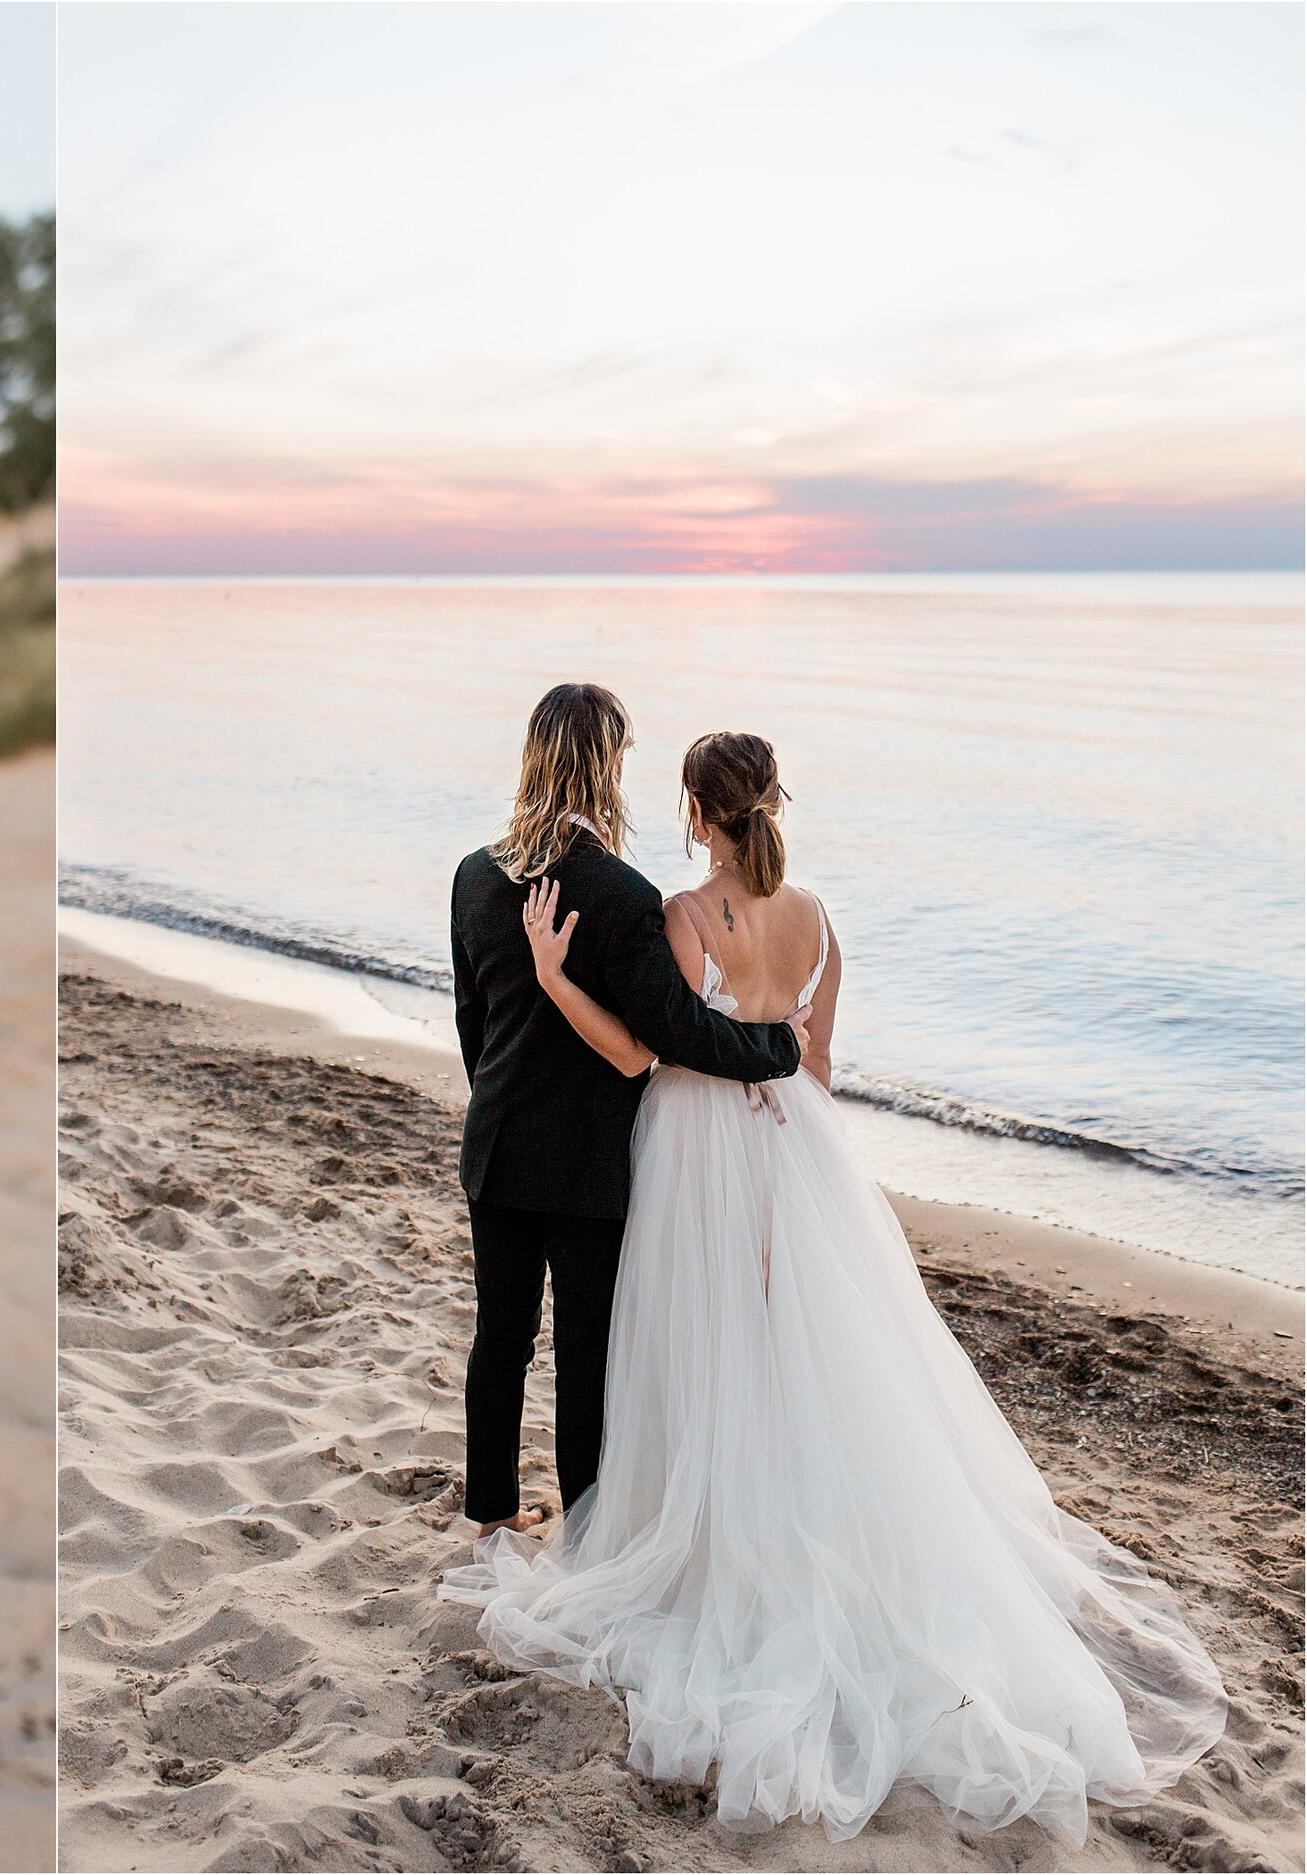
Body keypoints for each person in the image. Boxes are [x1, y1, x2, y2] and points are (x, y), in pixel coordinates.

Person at [442, 730, 1227, 1843]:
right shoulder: (817, 919)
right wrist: (775, 1107)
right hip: (796, 1154)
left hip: (697, 1152)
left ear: (696, 812)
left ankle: (644, 1525)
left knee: (688, 1347)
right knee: (795, 1348)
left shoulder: (674, 912)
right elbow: (814, 1064)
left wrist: (571, 983)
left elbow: (663, 1049)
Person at [446, 684, 803, 1537]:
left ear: (534, 755)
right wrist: (777, 1051)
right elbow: (676, 1032)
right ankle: (585, 1527)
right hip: (588, 1160)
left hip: (495, 1145)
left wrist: (500, 1097)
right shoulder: (622, 893)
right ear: (606, 765)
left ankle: (490, 1517)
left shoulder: (473, 875)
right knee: (585, 1354)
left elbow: (472, 1023)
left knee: (499, 1338)